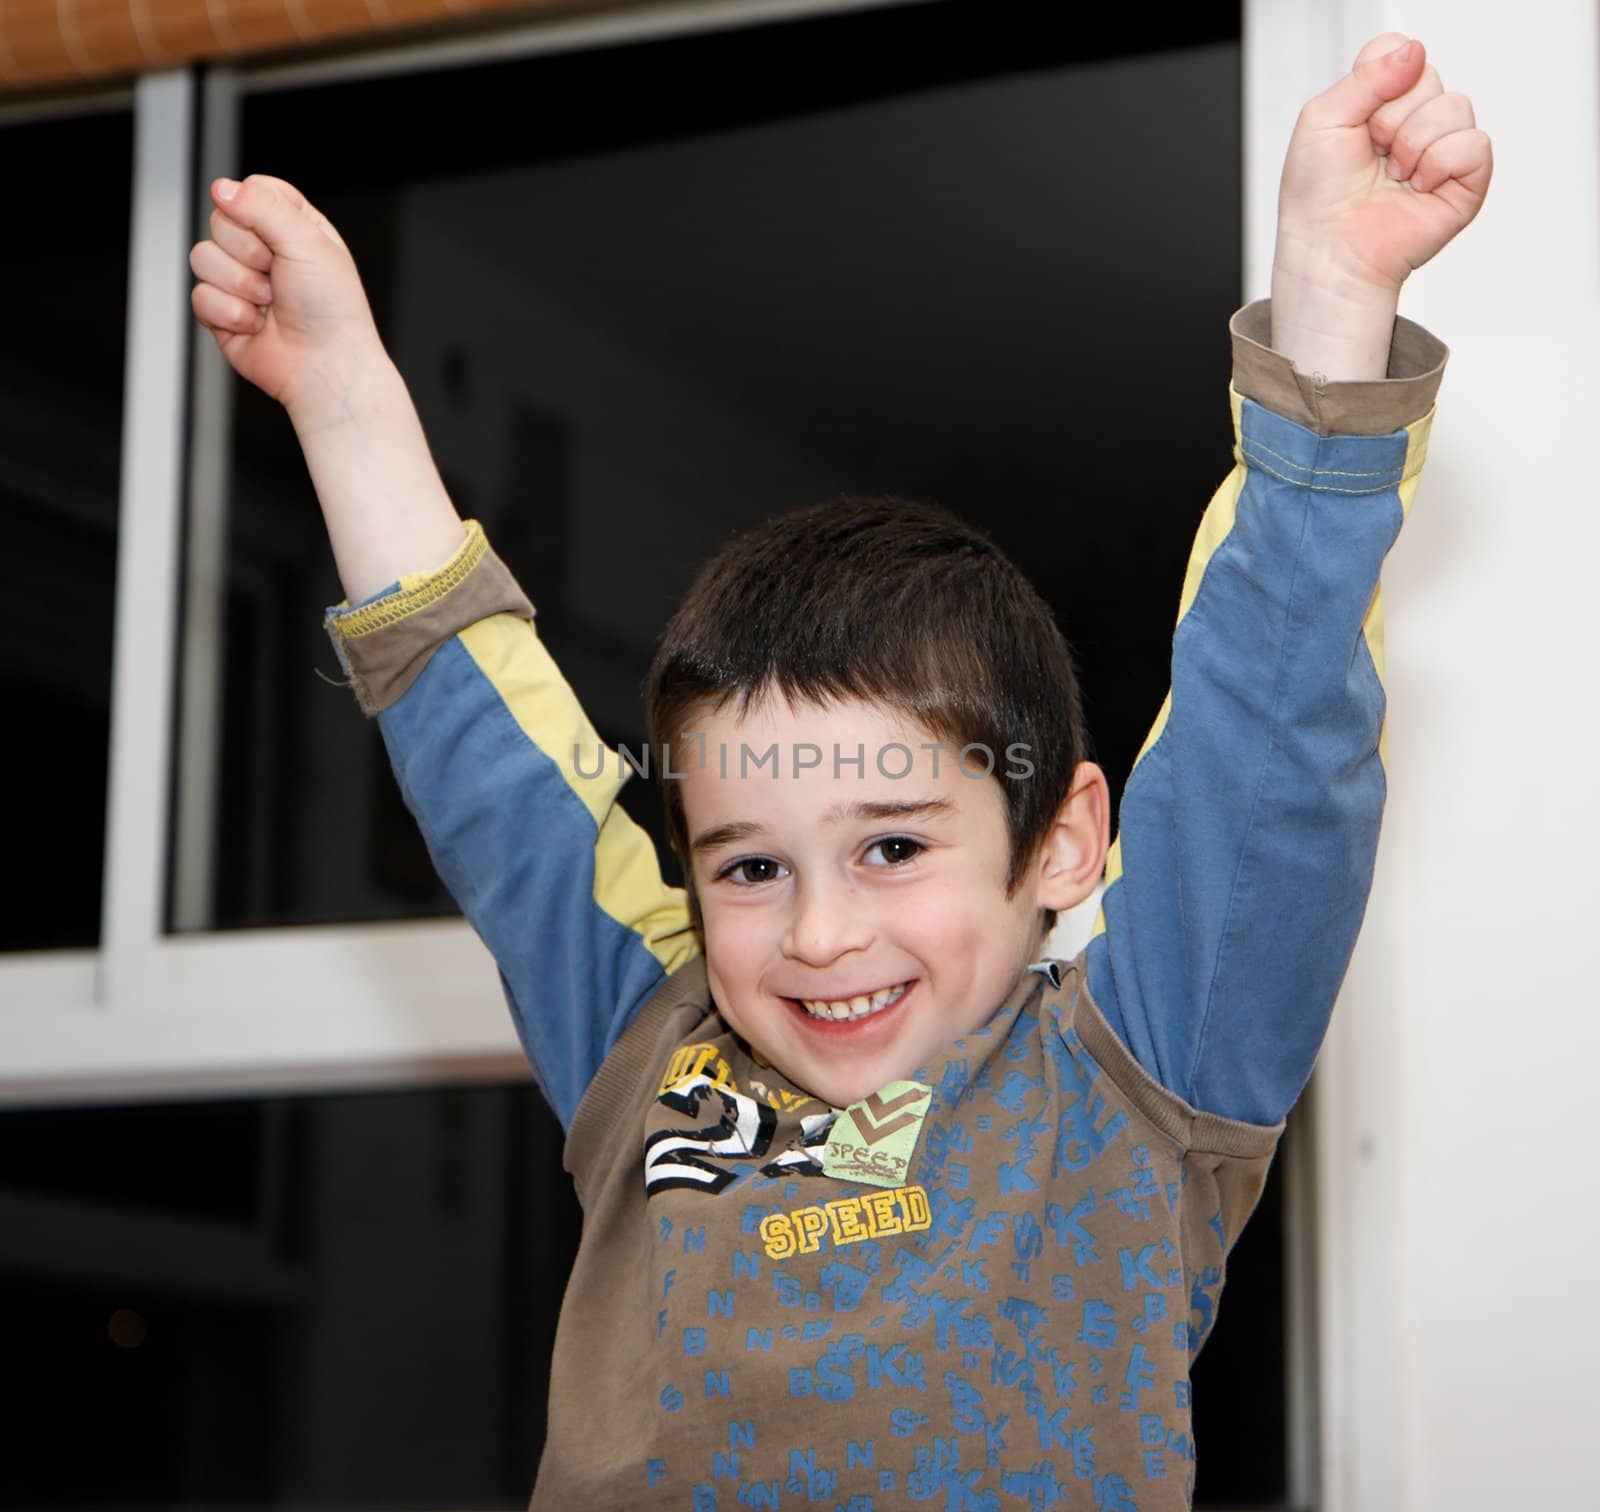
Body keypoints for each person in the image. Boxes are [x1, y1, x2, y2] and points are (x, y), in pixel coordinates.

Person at [189, 32, 1490, 1509]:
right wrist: (342, 395)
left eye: (891, 847)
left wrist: (1332, 302)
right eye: (748, 864)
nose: (816, 934)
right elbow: (490, 773)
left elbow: (1271, 725)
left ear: (1064, 845)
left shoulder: (1135, 1080)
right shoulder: (646, 1042)